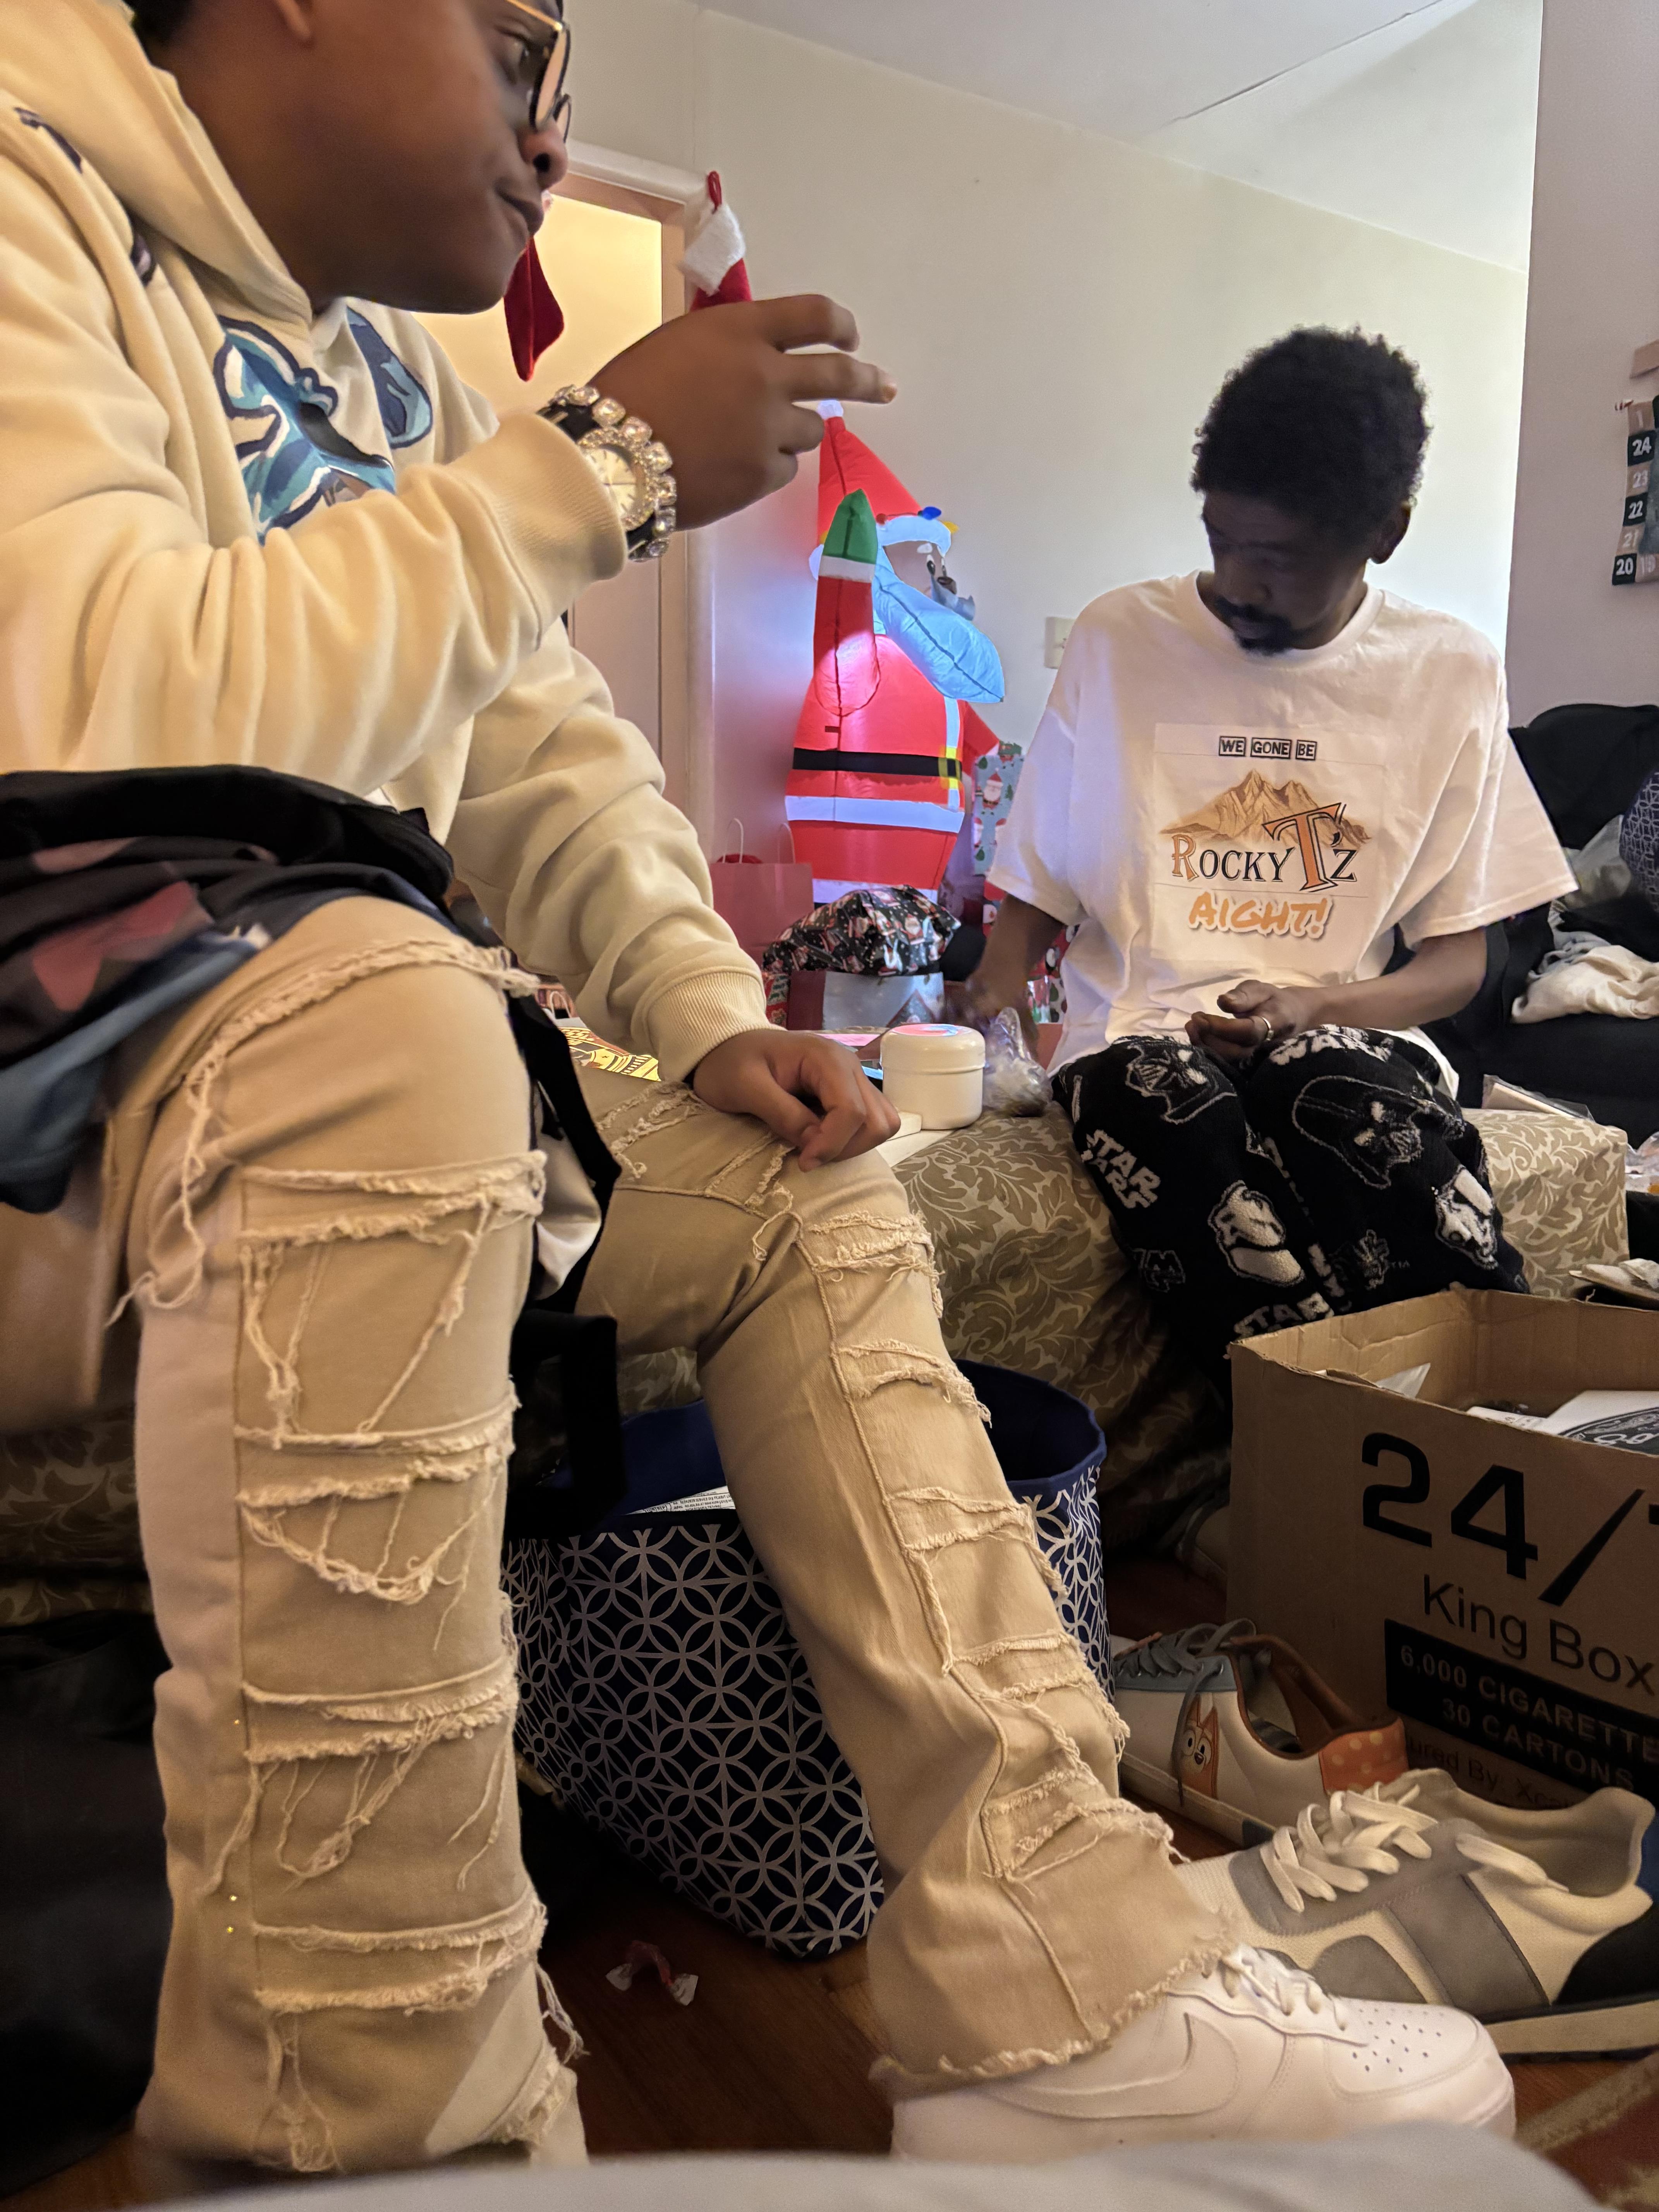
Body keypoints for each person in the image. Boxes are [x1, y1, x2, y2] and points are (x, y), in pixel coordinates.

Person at [0, 6, 1516, 2175]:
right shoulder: (25, 182)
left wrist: (713, 1015)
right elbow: (92, 721)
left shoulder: (385, 365)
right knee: (392, 1009)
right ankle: (374, 2130)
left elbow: (529, 751)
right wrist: (599, 467)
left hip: (266, 1083)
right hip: (50, 1125)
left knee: (798, 1171)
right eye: (510, 40)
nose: (547, 128)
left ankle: (1055, 1981)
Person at [970, 330, 1575, 1373]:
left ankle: (1498, 1403)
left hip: (1338, 1030)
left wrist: (1315, 1006)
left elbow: (1457, 965)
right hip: (1134, 1035)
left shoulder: (1448, 672)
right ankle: (1312, 1425)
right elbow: (1036, 876)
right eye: (1220, 539)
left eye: (1280, 559)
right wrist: (987, 1002)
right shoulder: (1120, 639)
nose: (1238, 583)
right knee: (1163, 1103)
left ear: (1385, 534)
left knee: (1331, 1096)